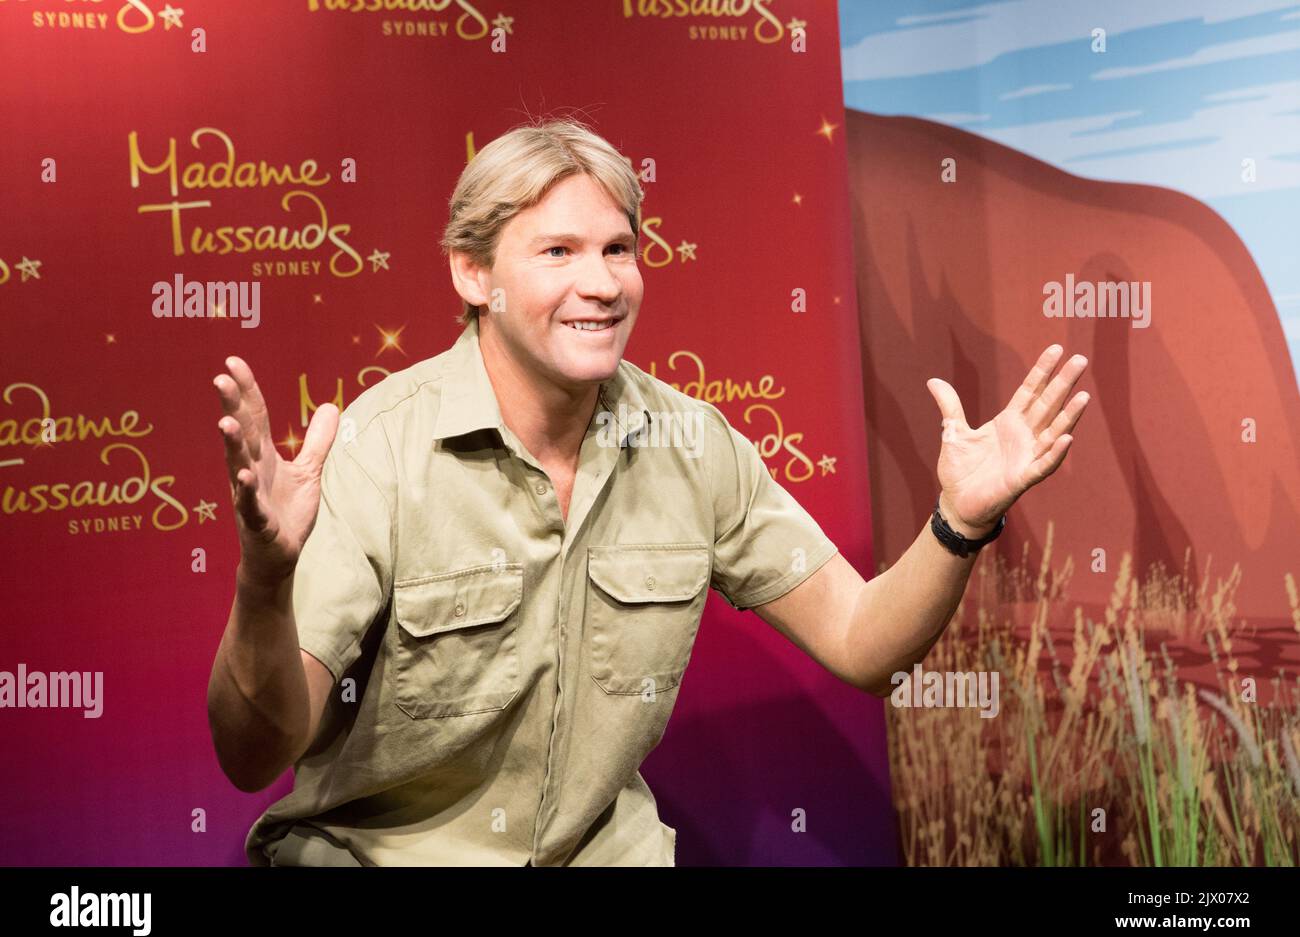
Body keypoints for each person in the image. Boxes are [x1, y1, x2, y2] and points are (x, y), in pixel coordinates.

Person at [205, 118, 1090, 866]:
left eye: (619, 249)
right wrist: (262, 580)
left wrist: (958, 524)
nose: (602, 283)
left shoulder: (692, 444)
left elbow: (864, 645)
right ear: (474, 276)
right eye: (558, 251)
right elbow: (254, 755)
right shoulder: (378, 449)